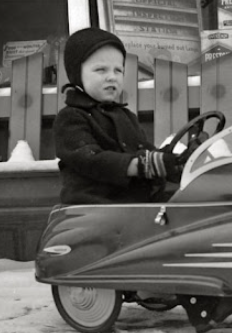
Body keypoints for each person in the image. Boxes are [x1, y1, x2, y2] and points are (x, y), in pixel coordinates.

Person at [53, 27, 182, 205]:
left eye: (118, 70)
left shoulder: (126, 116)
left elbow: (144, 151)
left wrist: (171, 162)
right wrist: (142, 165)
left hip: (132, 208)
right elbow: (91, 159)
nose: (112, 77)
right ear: (77, 74)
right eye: (101, 70)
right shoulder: (71, 118)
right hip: (94, 209)